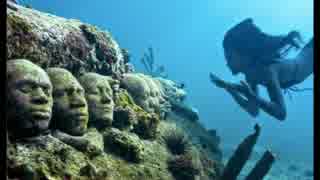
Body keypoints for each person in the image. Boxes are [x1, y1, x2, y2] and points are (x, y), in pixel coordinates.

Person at [210, 18, 313, 121]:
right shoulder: (251, 75)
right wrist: (229, 88)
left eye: (230, 58)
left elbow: (281, 113)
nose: (227, 63)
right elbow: (253, 110)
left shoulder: (266, 69)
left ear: (244, 55)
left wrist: (247, 93)